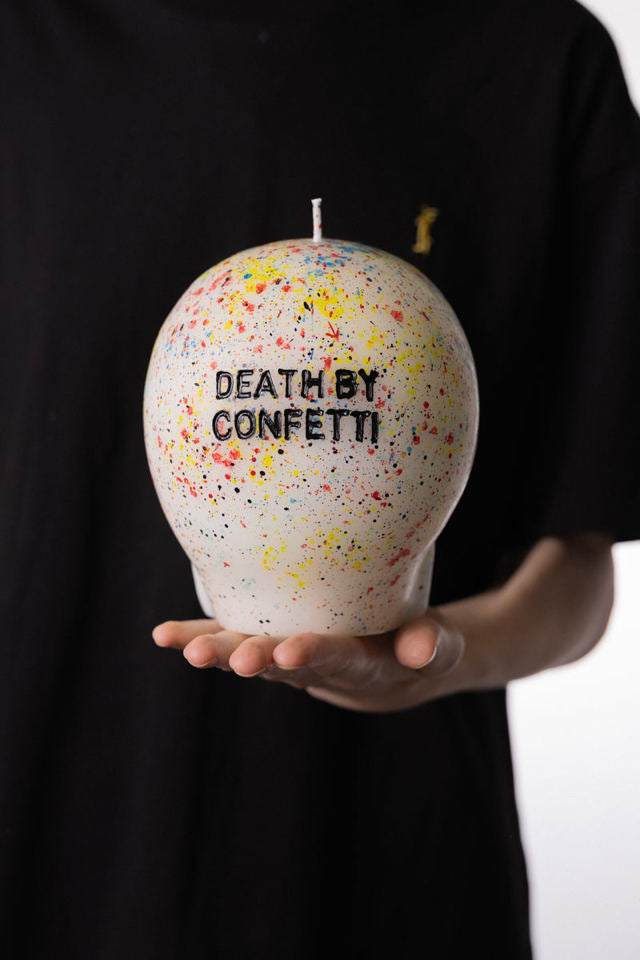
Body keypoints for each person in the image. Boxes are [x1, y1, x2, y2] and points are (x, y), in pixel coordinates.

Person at [1, 1, 638, 956]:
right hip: (44, 844)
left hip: (396, 871)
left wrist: (441, 657)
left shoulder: (533, 54)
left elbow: (578, 569)